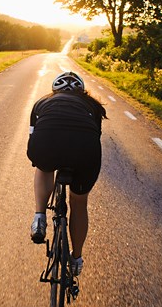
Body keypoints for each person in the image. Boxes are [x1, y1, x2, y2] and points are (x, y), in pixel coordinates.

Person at [27, 71, 106, 275]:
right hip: (85, 150)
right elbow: (95, 135)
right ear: (82, 92)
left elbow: (33, 135)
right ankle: (76, 259)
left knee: (43, 166)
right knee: (79, 203)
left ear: (54, 90)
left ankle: (39, 218)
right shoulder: (93, 107)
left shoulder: (41, 103)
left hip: (47, 143)